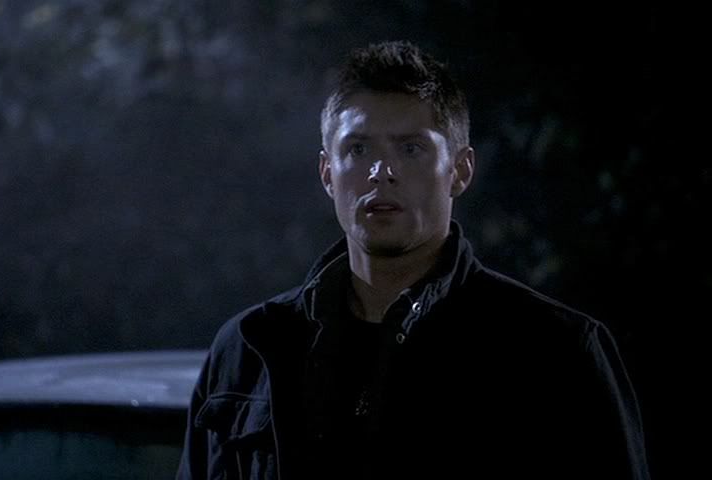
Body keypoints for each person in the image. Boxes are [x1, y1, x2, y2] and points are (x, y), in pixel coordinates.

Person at [176, 41, 650, 480]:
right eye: (358, 149)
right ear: (327, 173)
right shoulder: (250, 349)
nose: (381, 172)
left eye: (411, 148)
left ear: (459, 170)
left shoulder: (555, 352)